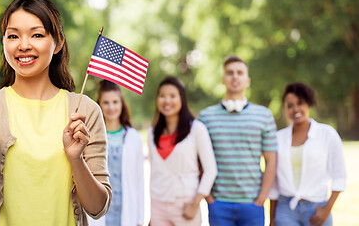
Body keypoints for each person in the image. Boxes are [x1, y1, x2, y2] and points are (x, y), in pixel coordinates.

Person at [0, 0, 111, 226]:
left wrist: (76, 159)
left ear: (58, 42)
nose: (23, 45)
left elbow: (97, 208)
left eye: (37, 34)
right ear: (4, 42)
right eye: (13, 36)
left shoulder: (85, 111)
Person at [198, 55, 278, 226]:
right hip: (218, 204)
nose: (235, 77)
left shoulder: (264, 115)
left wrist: (261, 198)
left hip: (252, 204)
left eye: (240, 73)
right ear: (223, 79)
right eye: (230, 73)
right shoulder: (206, 117)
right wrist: (210, 198)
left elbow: (271, 161)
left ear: (247, 80)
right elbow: (199, 160)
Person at [268, 82, 346, 226]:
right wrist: (272, 218)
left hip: (316, 208)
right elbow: (274, 183)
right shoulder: (277, 138)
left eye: (300, 103)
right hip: (285, 210)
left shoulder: (327, 134)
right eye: (290, 105)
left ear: (309, 104)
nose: (295, 109)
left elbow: (339, 176)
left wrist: (327, 209)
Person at [148, 76, 217, 226]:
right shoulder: (152, 133)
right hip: (157, 204)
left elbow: (211, 170)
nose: (167, 101)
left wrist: (195, 204)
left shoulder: (197, 129)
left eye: (172, 96)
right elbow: (154, 171)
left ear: (182, 99)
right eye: (162, 96)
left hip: (186, 204)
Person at [89, 79, 144, 226]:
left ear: (122, 104)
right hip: (98, 217)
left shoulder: (134, 138)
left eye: (115, 102)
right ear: (99, 104)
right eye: (106, 102)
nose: (111, 107)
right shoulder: (91, 136)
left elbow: (140, 181)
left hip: (127, 215)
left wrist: (140, 219)